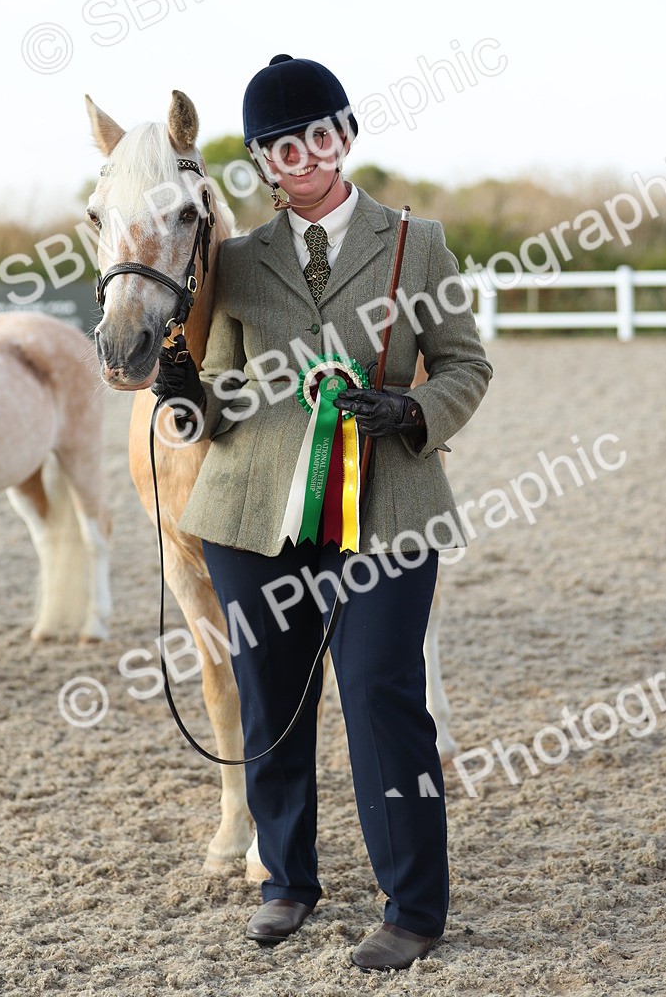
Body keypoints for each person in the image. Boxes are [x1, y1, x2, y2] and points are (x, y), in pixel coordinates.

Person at [156, 54, 492, 971]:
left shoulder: (412, 243)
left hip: (388, 505)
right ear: (263, 160)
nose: (301, 154)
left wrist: (416, 410)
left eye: (318, 134)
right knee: (270, 698)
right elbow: (216, 402)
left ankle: (415, 906)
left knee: (385, 693)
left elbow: (468, 362)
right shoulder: (230, 260)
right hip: (255, 511)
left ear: (344, 137)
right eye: (279, 144)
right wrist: (184, 391)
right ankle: (286, 882)